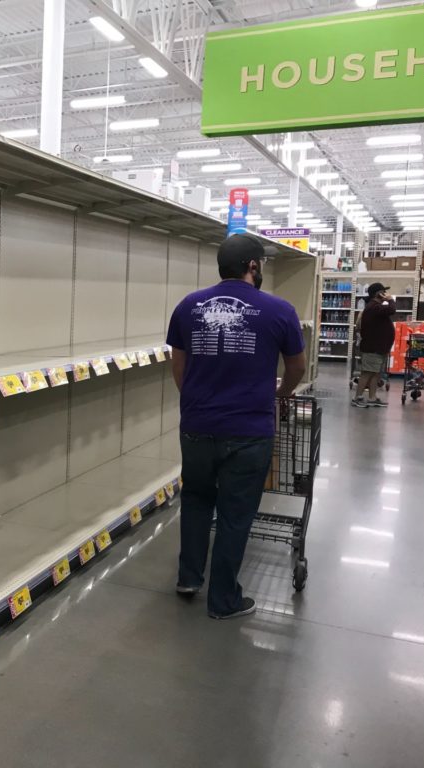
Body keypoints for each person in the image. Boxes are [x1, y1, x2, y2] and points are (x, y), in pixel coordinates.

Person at [166, 233, 306, 620]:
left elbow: (179, 365)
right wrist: (282, 394)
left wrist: (197, 401)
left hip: (196, 425)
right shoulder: (280, 310)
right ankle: (224, 600)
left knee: (195, 500)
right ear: (254, 266)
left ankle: (189, 578)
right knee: (235, 513)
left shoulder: (188, 306)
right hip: (248, 431)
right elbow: (296, 367)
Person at [352, 282, 396, 408]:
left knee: (375, 374)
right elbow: (392, 310)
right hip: (373, 348)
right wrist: (391, 300)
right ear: (379, 294)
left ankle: (372, 397)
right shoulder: (373, 307)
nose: (386, 294)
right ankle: (357, 398)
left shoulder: (375, 307)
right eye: (384, 292)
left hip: (379, 348)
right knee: (367, 373)